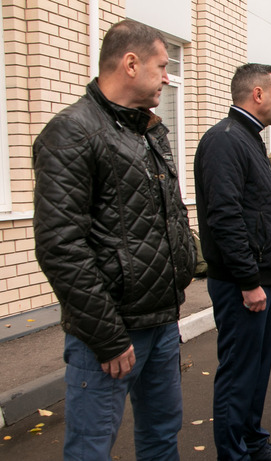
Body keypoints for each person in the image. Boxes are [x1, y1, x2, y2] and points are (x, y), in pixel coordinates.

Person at [32, 20, 196, 460]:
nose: (167, 77)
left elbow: (168, 220)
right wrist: (106, 336)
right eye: (163, 67)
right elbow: (61, 247)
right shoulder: (72, 132)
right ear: (130, 63)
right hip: (109, 335)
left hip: (161, 322)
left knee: (162, 435)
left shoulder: (149, 131)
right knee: (91, 449)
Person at [194, 63, 271, 461]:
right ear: (257, 94)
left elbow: (259, 211)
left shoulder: (247, 137)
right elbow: (225, 217)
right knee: (238, 375)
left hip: (258, 278)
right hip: (241, 282)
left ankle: (253, 443)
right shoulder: (225, 140)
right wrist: (249, 280)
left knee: (255, 373)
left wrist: (266, 276)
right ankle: (234, 454)